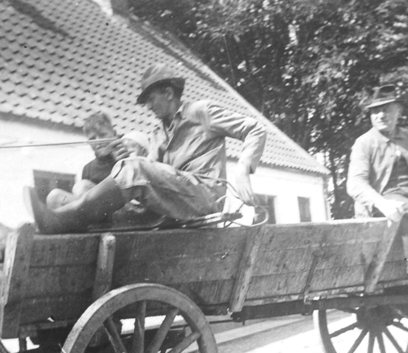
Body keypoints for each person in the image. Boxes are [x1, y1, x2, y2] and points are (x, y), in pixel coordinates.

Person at [24, 63, 267, 233]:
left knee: (134, 169)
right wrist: (125, 159)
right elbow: (153, 175)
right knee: (66, 194)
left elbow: (255, 129)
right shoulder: (158, 134)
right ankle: (63, 216)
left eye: (151, 99)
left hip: (204, 198)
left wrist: (244, 169)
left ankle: (65, 219)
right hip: (171, 202)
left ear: (168, 93)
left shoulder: (200, 111)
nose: (148, 107)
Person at [347, 84, 408, 274]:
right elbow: (355, 183)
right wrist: (382, 203)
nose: (381, 115)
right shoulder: (364, 143)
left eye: (387, 109)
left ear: (398, 111)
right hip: (386, 201)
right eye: (376, 111)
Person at [46, 111, 129, 210]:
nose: (98, 141)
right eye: (92, 138)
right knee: (55, 196)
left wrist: (122, 163)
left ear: (114, 134)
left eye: (103, 135)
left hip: (122, 208)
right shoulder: (88, 168)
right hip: (97, 211)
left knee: (82, 187)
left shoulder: (125, 154)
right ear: (88, 142)